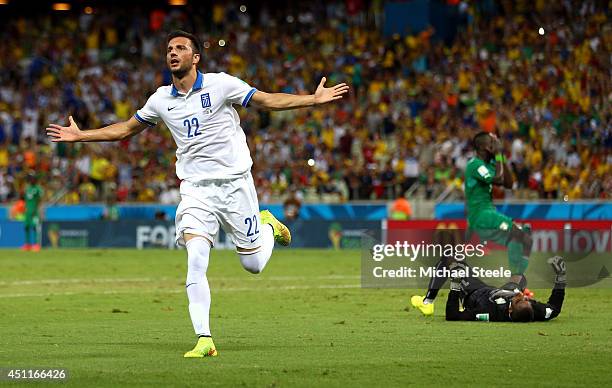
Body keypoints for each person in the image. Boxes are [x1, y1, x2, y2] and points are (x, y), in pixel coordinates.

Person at [46, 30, 349, 358]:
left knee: (254, 265)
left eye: (180, 48)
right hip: (195, 191)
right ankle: (204, 338)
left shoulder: (221, 85)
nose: (172, 53)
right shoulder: (160, 100)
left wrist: (312, 100)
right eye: (169, 49)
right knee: (196, 259)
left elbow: (266, 100)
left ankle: (268, 228)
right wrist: (81, 136)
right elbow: (124, 130)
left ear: (196, 57)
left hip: (235, 186)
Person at [445, 256, 566, 322]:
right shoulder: (534, 311)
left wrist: (455, 286)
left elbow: (453, 316)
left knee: (457, 264)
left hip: (474, 293)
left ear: (509, 311)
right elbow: (554, 309)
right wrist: (561, 277)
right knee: (520, 277)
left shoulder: (488, 312)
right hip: (505, 292)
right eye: (527, 300)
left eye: (519, 300)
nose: (523, 296)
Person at [22, 173, 44, 252]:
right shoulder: (27, 188)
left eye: (32, 178)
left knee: (35, 227)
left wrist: (38, 209)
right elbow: (26, 200)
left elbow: (40, 200)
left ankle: (36, 244)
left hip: (35, 211)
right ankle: (27, 244)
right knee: (26, 227)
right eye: (30, 179)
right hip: (27, 211)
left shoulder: (38, 188)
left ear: (35, 179)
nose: (31, 180)